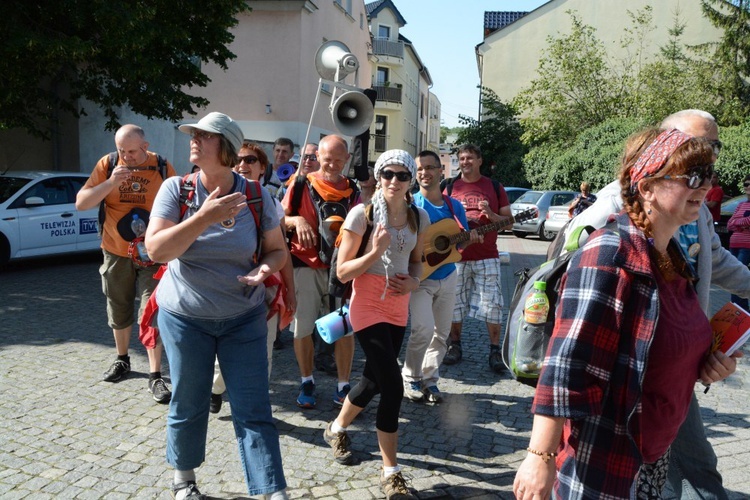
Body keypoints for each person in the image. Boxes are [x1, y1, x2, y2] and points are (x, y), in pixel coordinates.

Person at [514, 127, 739, 499]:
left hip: (650, 457)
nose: (704, 187)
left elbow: (660, 346)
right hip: (602, 459)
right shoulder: (610, 253)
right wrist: (539, 457)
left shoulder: (672, 257)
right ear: (646, 186)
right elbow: (566, 366)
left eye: (708, 176)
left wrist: (711, 362)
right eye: (692, 176)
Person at [145, 112, 289, 500]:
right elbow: (157, 250)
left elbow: (278, 252)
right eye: (193, 134)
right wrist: (203, 217)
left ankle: (271, 490)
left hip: (244, 318)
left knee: (253, 406)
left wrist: (264, 268)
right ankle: (184, 481)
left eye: (203, 136)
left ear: (225, 146)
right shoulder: (177, 190)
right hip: (185, 317)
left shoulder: (258, 195)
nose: (193, 139)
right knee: (188, 401)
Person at [323, 149, 428, 500]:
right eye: (387, 174)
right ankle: (391, 473)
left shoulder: (418, 217)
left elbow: (417, 263)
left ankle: (336, 428)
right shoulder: (361, 214)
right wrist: (374, 250)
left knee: (371, 380)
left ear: (411, 180)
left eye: (401, 175)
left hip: (398, 309)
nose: (394, 181)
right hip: (366, 306)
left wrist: (414, 283)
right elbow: (342, 272)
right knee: (393, 387)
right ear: (378, 177)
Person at [75, 124, 176, 403]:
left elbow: (179, 205)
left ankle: (156, 374)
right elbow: (81, 203)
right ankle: (122, 360)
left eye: (132, 151)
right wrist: (110, 183)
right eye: (122, 150)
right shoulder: (108, 164)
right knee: (118, 305)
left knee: (151, 310)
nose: (127, 156)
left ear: (145, 146)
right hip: (115, 252)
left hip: (152, 254)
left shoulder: (163, 167)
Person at [208, 142, 297, 414]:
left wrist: (291, 292)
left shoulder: (269, 202)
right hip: (225, 287)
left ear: (262, 168)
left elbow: (282, 252)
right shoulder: (216, 197)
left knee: (264, 348)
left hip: (264, 288)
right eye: (238, 160)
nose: (243, 165)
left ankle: (257, 405)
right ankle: (214, 388)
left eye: (250, 160)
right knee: (223, 349)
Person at [282, 135, 359, 409]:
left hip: (341, 269)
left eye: (339, 160)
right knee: (303, 326)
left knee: (344, 328)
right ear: (318, 158)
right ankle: (306, 380)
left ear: (347, 159)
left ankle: (343, 384)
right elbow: (279, 218)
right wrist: (297, 219)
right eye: (328, 160)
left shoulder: (354, 189)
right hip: (305, 265)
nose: (333, 165)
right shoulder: (301, 183)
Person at [402, 150, 479, 404]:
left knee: (441, 333)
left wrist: (469, 240)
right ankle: (411, 376)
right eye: (420, 168)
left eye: (429, 167)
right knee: (422, 329)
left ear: (440, 171)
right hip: (420, 278)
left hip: (447, 276)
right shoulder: (410, 205)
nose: (424, 172)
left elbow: (459, 247)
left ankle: (430, 380)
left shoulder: (453, 206)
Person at [441, 144, 511, 373]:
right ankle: (455, 346)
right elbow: (439, 220)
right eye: (461, 158)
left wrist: (490, 214)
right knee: (455, 304)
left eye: (470, 158)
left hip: (487, 256)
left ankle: (494, 351)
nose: (465, 162)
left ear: (480, 160)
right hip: (457, 257)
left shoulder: (494, 186)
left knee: (493, 304)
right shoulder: (449, 186)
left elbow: (509, 221)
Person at [727, 174, 750, 311]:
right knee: (731, 275)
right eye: (745, 184)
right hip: (733, 244)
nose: (747, 187)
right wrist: (741, 223)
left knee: (738, 276)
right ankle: (735, 307)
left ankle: (741, 309)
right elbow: (730, 224)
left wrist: (738, 222)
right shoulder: (741, 204)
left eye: (749, 184)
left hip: (746, 246)